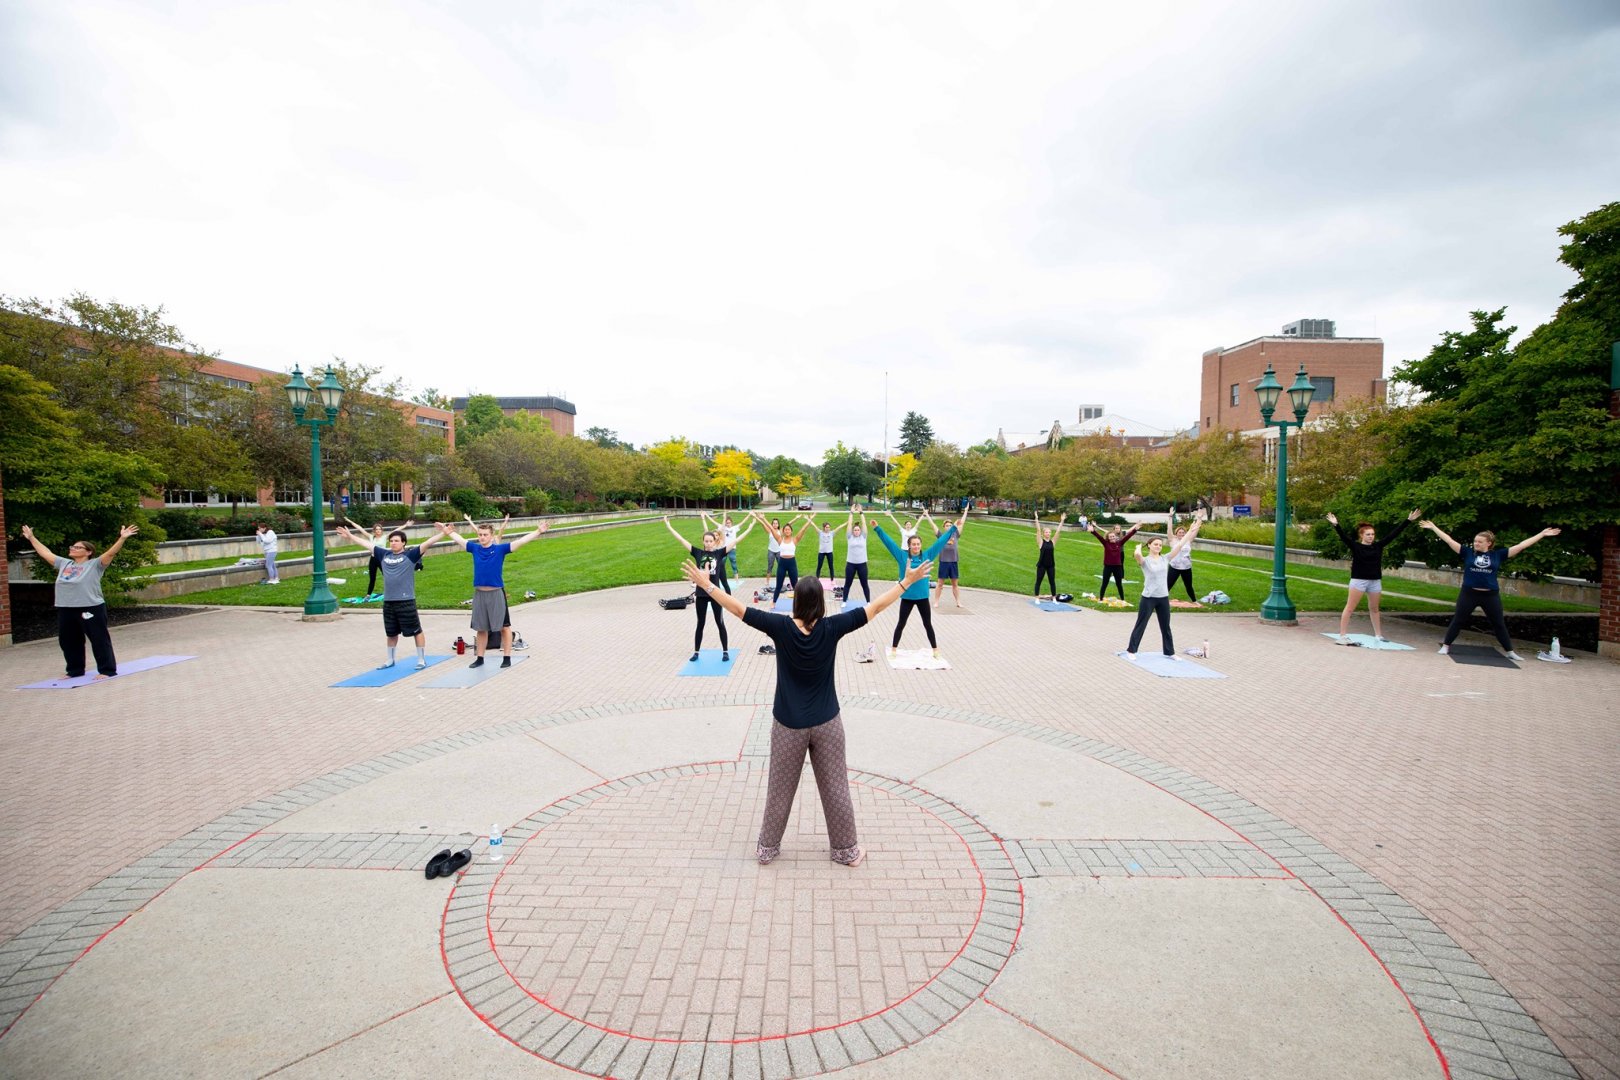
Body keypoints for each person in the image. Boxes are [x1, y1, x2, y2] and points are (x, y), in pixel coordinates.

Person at [679, 551, 934, 866]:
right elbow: (877, 606)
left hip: (788, 724)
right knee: (836, 787)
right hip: (827, 722)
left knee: (779, 789)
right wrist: (906, 582)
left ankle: (767, 850)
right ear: (821, 603)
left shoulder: (781, 627)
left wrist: (707, 585)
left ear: (796, 600)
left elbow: (738, 609)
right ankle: (846, 852)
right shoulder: (833, 627)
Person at [1421, 520, 1561, 660]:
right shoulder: (1467, 553)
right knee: (1458, 620)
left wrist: (1541, 534)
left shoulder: (1497, 555)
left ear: (1489, 543)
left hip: (1490, 595)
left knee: (1498, 623)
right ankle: (1446, 646)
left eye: (1480, 542)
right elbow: (1449, 540)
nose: (1476, 544)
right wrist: (1434, 527)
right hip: (1469, 593)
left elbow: (1521, 545)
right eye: (1475, 541)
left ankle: (1510, 651)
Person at [20, 523, 139, 680]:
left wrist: (122, 538)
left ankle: (107, 670)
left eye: (77, 547)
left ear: (88, 552)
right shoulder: (64, 564)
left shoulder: (95, 564)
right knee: (69, 640)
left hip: (90, 607)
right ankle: (74, 670)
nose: (73, 549)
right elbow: (45, 553)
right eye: (72, 546)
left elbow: (110, 553)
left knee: (99, 639)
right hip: (66, 608)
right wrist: (32, 538)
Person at [437, 518, 548, 667]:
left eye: (485, 535)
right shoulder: (475, 549)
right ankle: (480, 658)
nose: (482, 537)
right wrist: (448, 531)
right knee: (481, 628)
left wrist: (538, 532)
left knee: (504, 627)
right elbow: (460, 539)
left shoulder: (499, 550)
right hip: (479, 594)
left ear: (491, 535)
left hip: (496, 593)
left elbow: (520, 541)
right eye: (480, 534)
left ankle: (507, 658)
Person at [336, 524, 448, 668]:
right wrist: (350, 536)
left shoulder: (410, 555)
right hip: (389, 601)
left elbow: (427, 543)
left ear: (403, 543)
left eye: (396, 541)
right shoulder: (384, 555)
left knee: (416, 630)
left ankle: (421, 659)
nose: (393, 543)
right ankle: (390, 659)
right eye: (391, 541)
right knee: (391, 632)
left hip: (406, 600)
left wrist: (443, 534)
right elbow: (367, 544)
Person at [665, 515, 753, 661]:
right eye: (706, 541)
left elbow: (736, 540)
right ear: (703, 542)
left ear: (715, 542)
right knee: (700, 623)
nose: (708, 543)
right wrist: (669, 527)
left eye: (711, 541)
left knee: (720, 622)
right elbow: (682, 540)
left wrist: (749, 528)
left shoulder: (719, 553)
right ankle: (696, 652)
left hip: (715, 594)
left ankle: (725, 651)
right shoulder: (698, 553)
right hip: (701, 594)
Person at [1327, 508, 1421, 642]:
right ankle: (1342, 635)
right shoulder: (1356, 547)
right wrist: (1336, 525)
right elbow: (1344, 537)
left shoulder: (1378, 546)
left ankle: (1378, 635)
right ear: (1362, 536)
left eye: (1372, 534)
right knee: (1350, 608)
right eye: (1368, 534)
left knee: (1375, 608)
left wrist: (1408, 521)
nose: (1371, 536)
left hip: (1375, 581)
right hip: (1359, 581)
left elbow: (1393, 535)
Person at [873, 519, 958, 657]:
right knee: (901, 623)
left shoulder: (927, 555)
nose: (916, 546)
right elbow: (889, 543)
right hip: (907, 596)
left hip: (923, 597)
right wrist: (877, 528)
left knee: (927, 624)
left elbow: (941, 541)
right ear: (909, 546)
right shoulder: (902, 556)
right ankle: (894, 650)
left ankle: (935, 650)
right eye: (913, 544)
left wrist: (953, 528)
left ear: (921, 545)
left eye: (918, 544)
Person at [1124, 518, 1203, 660]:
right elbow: (1137, 556)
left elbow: (1179, 546)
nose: (1158, 546)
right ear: (1149, 546)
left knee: (1166, 626)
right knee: (1141, 624)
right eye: (1155, 544)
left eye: (1160, 545)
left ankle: (1170, 652)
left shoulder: (1165, 558)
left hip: (1163, 597)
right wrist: (1137, 549)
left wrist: (1191, 530)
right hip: (1148, 598)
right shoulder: (1145, 561)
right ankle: (1131, 650)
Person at [756, 512, 814, 602]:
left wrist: (810, 520)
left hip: (792, 564)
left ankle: (800, 603)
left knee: (795, 585)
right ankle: (774, 602)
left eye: (788, 529)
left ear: (791, 531)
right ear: (783, 531)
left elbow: (803, 530)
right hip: (782, 564)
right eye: (785, 529)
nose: (787, 531)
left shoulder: (795, 540)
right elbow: (771, 529)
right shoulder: (779, 539)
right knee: (778, 585)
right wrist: (763, 518)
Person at [1087, 519, 1141, 600]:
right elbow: (1099, 536)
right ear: (1108, 538)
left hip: (1117, 567)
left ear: (1115, 537)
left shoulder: (1119, 543)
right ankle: (1101, 599)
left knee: (1119, 584)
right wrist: (1093, 531)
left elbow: (1128, 536)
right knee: (1105, 583)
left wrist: (1135, 529)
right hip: (1108, 567)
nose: (1112, 538)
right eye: (1110, 537)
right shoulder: (1106, 543)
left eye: (1113, 536)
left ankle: (1122, 599)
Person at [930, 506, 971, 607]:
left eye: (950, 525)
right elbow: (933, 525)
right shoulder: (941, 536)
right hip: (943, 562)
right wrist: (926, 515)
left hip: (953, 562)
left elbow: (962, 522)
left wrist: (965, 511)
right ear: (944, 527)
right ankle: (936, 602)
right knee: (940, 584)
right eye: (947, 525)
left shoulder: (956, 534)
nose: (948, 527)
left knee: (955, 584)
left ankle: (958, 602)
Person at [1165, 511, 1199, 604]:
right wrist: (1170, 517)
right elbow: (1169, 529)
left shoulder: (1188, 540)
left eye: (1183, 532)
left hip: (1186, 567)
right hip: (1174, 567)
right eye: (1179, 532)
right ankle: (1161, 600)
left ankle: (1194, 601)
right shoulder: (1172, 540)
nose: (1181, 534)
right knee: (1168, 585)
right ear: (1176, 533)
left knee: (1188, 585)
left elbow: (1195, 530)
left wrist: (1199, 518)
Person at [842, 506, 872, 605]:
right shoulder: (849, 537)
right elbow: (849, 524)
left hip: (862, 565)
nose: (856, 531)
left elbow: (864, 524)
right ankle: (844, 601)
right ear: (852, 531)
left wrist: (861, 512)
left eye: (858, 530)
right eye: (855, 530)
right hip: (850, 564)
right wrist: (851, 513)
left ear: (860, 531)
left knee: (864, 584)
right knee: (847, 584)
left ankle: (868, 602)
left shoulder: (864, 537)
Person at [703, 511, 743, 577]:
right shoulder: (713, 542)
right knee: (719, 565)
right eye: (726, 523)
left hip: (731, 549)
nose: (728, 524)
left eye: (729, 523)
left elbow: (742, 524)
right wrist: (705, 517)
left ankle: (735, 580)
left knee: (733, 564)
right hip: (721, 552)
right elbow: (709, 527)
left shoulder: (722, 541)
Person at [1033, 512, 1059, 601]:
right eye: (1046, 532)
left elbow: (1058, 531)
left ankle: (1054, 598)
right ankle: (1037, 598)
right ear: (1044, 534)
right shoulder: (1041, 542)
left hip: (1051, 565)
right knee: (1038, 581)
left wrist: (1062, 521)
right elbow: (1038, 530)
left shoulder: (1053, 542)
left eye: (1049, 532)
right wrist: (1036, 518)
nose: (1048, 533)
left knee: (1052, 582)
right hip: (1042, 565)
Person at [814, 515, 846, 580]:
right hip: (821, 552)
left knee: (831, 566)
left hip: (829, 552)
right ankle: (817, 580)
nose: (828, 528)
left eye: (829, 527)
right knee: (819, 566)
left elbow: (839, 527)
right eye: (826, 527)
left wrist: (847, 522)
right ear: (824, 528)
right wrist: (810, 519)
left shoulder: (831, 533)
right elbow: (814, 526)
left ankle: (832, 580)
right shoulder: (820, 533)